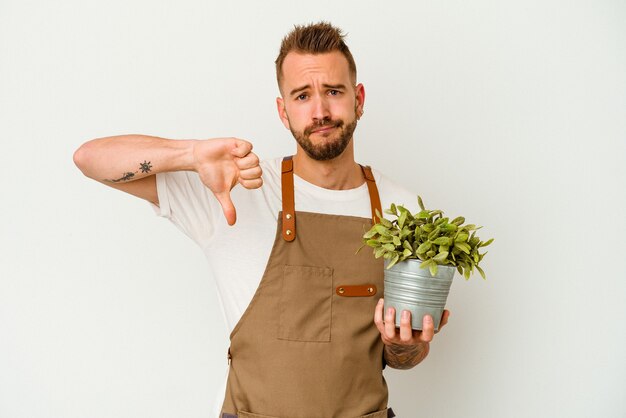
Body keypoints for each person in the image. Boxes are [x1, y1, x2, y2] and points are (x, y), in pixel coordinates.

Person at [74, 21, 449, 418]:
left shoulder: (405, 212)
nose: (320, 111)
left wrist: (405, 346)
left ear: (358, 98)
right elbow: (90, 159)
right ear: (282, 110)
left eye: (334, 92)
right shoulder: (238, 188)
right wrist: (190, 154)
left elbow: (405, 357)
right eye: (302, 95)